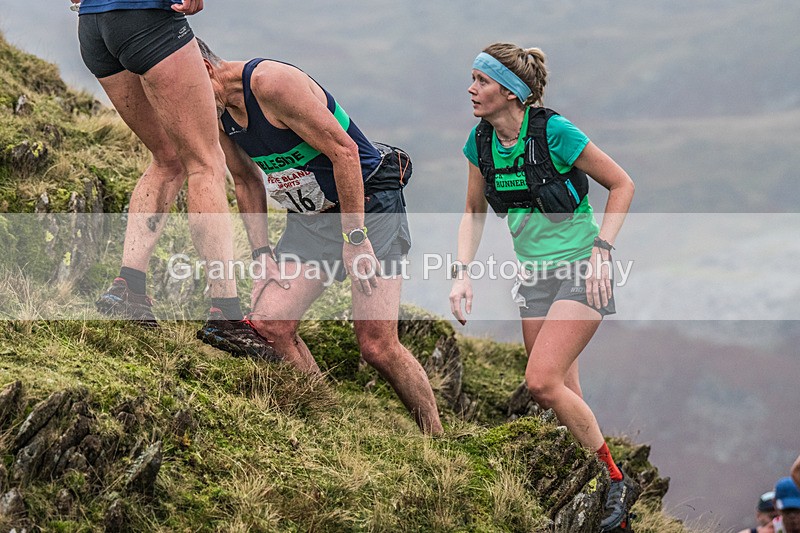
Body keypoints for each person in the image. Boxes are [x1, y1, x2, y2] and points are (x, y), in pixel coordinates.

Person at [195, 39, 442, 435]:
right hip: (310, 219)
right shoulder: (216, 111)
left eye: (188, 89)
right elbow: (244, 178)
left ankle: (437, 437)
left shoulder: (271, 83)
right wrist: (261, 252)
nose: (185, 104)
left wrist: (356, 239)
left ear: (206, 70)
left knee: (377, 346)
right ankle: (336, 430)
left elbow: (344, 153)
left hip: (368, 208)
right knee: (271, 326)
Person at [448, 43, 636, 531]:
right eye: (472, 79)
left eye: (481, 80)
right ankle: (607, 508)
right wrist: (462, 272)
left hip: (582, 271)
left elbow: (622, 184)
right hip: (534, 279)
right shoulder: (480, 143)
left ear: (512, 92)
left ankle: (618, 481)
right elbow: (472, 211)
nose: (471, 89)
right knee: (563, 389)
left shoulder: (554, 131)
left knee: (541, 381)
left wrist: (602, 250)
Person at [73, 0, 274, 359]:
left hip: (93, 25)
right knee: (205, 163)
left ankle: (129, 290)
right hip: (146, 18)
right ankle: (226, 314)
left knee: (167, 159)